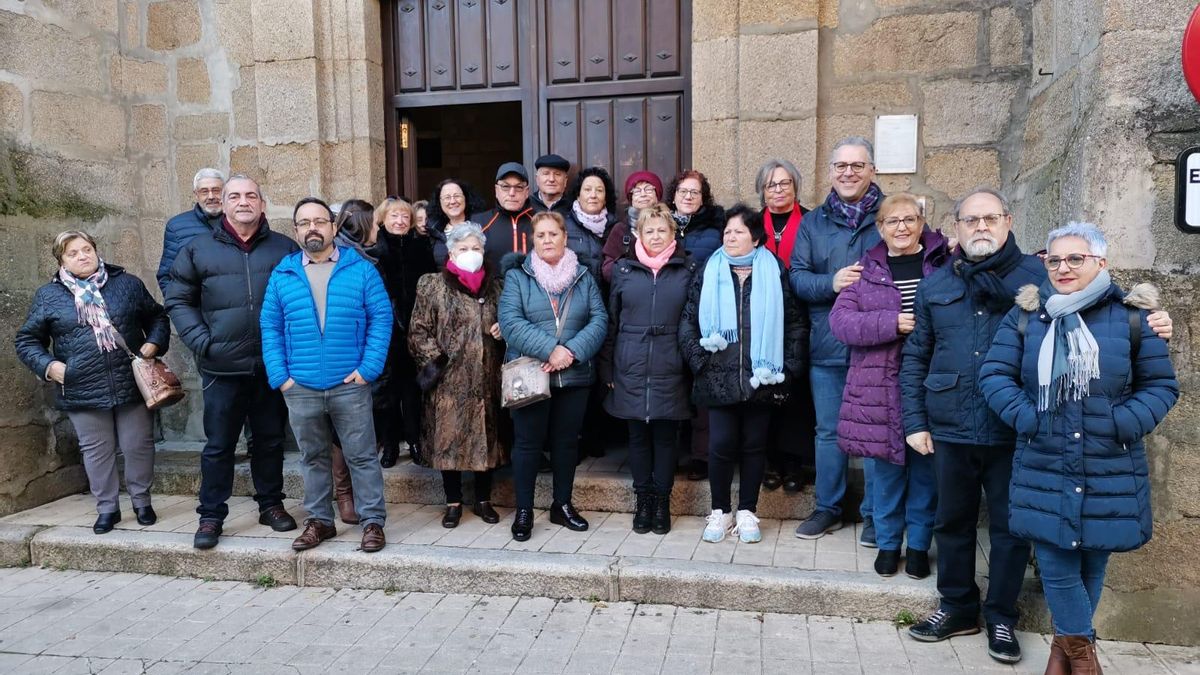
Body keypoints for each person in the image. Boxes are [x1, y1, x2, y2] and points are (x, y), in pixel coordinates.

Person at [900, 188, 1174, 664]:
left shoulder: (1038, 282)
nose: (980, 227)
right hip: (955, 424)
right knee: (952, 521)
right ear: (956, 228)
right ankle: (957, 607)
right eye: (970, 220)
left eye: (989, 218)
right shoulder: (937, 284)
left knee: (1012, 529)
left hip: (1021, 438)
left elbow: (1120, 340)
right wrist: (914, 420)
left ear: (1008, 222)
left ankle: (1002, 617)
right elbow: (916, 357)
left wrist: (1154, 327)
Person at [978, 222, 1177, 674]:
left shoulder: (1132, 317)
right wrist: (1031, 418)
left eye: (1075, 259)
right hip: (1045, 459)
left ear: (1100, 263)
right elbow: (993, 375)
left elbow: (1161, 386)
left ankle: (1060, 656)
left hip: (1109, 461)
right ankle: (1086, 662)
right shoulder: (1027, 315)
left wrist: (1120, 422)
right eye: (1054, 259)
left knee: (1092, 559)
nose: (1063, 267)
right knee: (1055, 559)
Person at [164, 174, 300, 550]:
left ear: (262, 204)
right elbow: (178, 299)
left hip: (270, 366)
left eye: (251, 195)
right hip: (220, 368)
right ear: (223, 204)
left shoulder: (284, 249)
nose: (244, 202)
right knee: (219, 445)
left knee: (270, 441)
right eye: (235, 196)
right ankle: (211, 515)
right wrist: (201, 342)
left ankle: (271, 505)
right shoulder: (197, 248)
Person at [260, 197, 393, 553]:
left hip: (349, 384)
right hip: (299, 385)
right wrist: (281, 377)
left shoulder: (360, 269)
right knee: (312, 457)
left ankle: (372, 522)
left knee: (362, 455)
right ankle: (320, 521)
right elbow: (270, 327)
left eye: (320, 221)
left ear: (334, 226)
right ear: (296, 231)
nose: (312, 228)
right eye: (304, 223)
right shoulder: (283, 273)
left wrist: (368, 369)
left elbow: (381, 318)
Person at [827, 193, 949, 579]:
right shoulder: (867, 269)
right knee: (886, 473)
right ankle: (887, 543)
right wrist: (891, 323)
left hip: (930, 380)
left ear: (921, 223)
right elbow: (841, 323)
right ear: (880, 227)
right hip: (876, 387)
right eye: (892, 221)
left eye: (909, 219)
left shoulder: (944, 263)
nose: (901, 227)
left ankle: (917, 547)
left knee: (925, 470)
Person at [16, 231, 170, 534]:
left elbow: (158, 318)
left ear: (96, 251)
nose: (82, 256)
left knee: (137, 445)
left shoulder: (127, 284)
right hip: (81, 385)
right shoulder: (49, 296)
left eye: (86, 249)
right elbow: (27, 340)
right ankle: (107, 508)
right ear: (61, 260)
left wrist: (153, 343)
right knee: (96, 450)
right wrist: (50, 366)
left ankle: (141, 502)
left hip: (131, 382)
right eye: (72, 253)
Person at [679, 204, 807, 544]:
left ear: (755, 238)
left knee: (754, 446)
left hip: (761, 376)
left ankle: (748, 510)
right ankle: (719, 511)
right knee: (720, 445)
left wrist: (788, 368)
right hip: (717, 375)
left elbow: (794, 322)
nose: (730, 237)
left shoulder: (774, 271)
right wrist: (699, 362)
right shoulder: (711, 269)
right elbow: (688, 321)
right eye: (727, 231)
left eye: (738, 231)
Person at [791, 136, 884, 545]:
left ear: (872, 171)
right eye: (841, 166)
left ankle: (877, 515)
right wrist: (831, 282)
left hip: (877, 345)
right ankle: (828, 507)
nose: (848, 172)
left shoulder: (890, 215)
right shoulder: (814, 223)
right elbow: (796, 276)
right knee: (828, 432)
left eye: (857, 165)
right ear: (830, 172)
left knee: (876, 431)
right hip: (827, 344)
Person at [498, 211, 607, 542]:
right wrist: (551, 350)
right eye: (541, 235)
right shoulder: (518, 277)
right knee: (528, 445)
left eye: (553, 234)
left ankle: (562, 505)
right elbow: (511, 322)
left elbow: (600, 319)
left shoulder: (584, 276)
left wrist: (570, 352)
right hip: (531, 373)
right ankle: (525, 510)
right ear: (534, 240)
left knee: (565, 444)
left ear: (564, 237)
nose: (547, 240)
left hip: (573, 375)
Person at [601, 204, 697, 535]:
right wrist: (607, 369)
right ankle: (643, 500)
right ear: (638, 235)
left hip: (671, 364)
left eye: (662, 230)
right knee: (638, 438)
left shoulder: (687, 270)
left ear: (673, 233)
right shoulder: (625, 270)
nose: (655, 236)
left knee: (665, 438)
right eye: (649, 230)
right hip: (630, 363)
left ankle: (661, 502)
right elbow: (612, 322)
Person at [408, 223, 506, 528]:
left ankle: (483, 499)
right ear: (451, 252)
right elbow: (418, 330)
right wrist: (436, 363)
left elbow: (512, 318)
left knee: (486, 438)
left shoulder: (497, 286)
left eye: (476, 248)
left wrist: (505, 330)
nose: (470, 254)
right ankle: (452, 502)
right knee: (447, 441)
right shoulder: (432, 285)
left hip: (487, 376)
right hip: (448, 380)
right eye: (463, 248)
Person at [755, 158, 815, 494]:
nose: (778, 189)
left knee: (796, 389)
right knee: (763, 390)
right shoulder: (751, 224)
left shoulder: (810, 220)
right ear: (762, 191)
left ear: (795, 186)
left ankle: (795, 462)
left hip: (799, 316)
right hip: (762, 317)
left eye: (785, 183)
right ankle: (769, 461)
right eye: (771, 185)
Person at [666, 170, 725, 481]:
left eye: (695, 192)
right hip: (665, 314)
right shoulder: (661, 224)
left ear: (704, 198)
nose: (688, 196)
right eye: (683, 191)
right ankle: (673, 454)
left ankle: (702, 456)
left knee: (702, 387)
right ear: (673, 194)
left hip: (703, 317)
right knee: (672, 386)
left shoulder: (715, 229)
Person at [374, 197, 437, 468]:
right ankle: (389, 445)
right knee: (388, 392)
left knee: (413, 390)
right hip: (386, 330)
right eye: (394, 217)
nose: (399, 221)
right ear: (383, 220)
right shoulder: (375, 250)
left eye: (404, 217)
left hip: (416, 328)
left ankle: (414, 441)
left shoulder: (421, 246)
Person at [157, 168, 224, 294]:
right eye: (204, 191)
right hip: (195, 309)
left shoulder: (238, 223)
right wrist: (180, 309)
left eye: (216, 190)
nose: (211, 196)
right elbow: (166, 276)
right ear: (196, 194)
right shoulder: (176, 227)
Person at [601, 170, 663, 283]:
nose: (643, 194)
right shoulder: (620, 229)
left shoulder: (669, 226)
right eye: (637, 191)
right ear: (631, 198)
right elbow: (607, 270)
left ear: (657, 195)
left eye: (649, 189)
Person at [564, 166, 618, 281]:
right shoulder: (563, 226)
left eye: (599, 190)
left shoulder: (616, 227)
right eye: (587, 190)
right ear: (578, 195)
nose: (593, 195)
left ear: (605, 198)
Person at [477, 162, 535, 270]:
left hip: (532, 285)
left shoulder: (539, 221)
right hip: (493, 286)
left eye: (518, 187)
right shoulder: (479, 223)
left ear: (526, 192)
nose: (512, 193)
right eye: (505, 186)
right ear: (496, 191)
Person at [427, 179, 486, 266]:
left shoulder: (482, 225)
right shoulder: (434, 230)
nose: (453, 201)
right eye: (447, 197)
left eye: (457, 196)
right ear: (439, 202)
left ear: (466, 198)